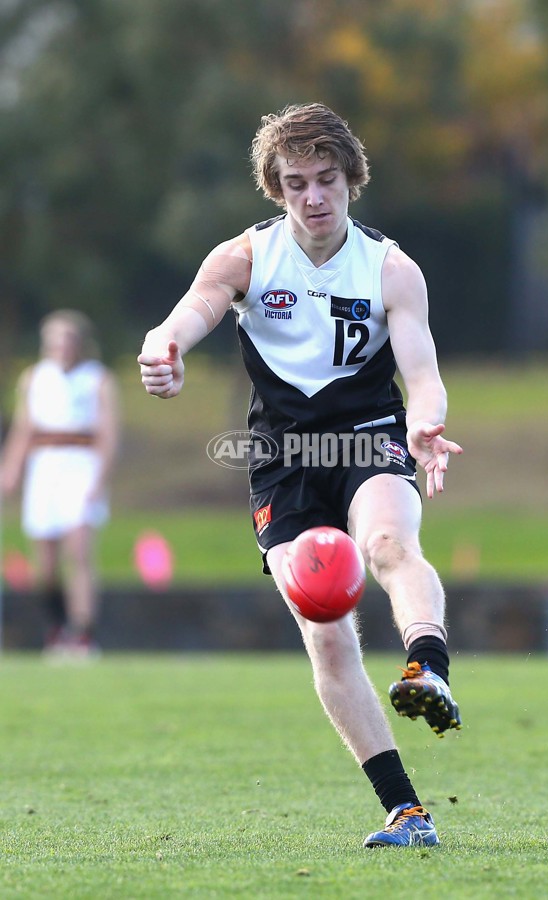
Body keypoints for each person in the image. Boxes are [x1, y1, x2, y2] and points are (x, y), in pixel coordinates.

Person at [137, 103, 463, 848]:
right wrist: (165, 346)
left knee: (387, 543)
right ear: (275, 190)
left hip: (368, 438)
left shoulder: (390, 269)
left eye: (326, 180)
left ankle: (428, 666)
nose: (313, 198)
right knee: (324, 631)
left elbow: (424, 371)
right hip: (283, 462)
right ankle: (406, 811)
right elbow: (194, 309)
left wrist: (424, 422)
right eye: (295, 184)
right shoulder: (245, 257)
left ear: (351, 179)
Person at [1, 309, 120, 657]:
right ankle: (56, 628)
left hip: (81, 465)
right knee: (45, 563)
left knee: (78, 551)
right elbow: (24, 429)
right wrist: (11, 469)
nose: (61, 347)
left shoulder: (97, 379)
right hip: (44, 467)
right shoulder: (34, 378)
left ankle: (82, 632)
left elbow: (108, 434)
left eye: (68, 339)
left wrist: (99, 478)